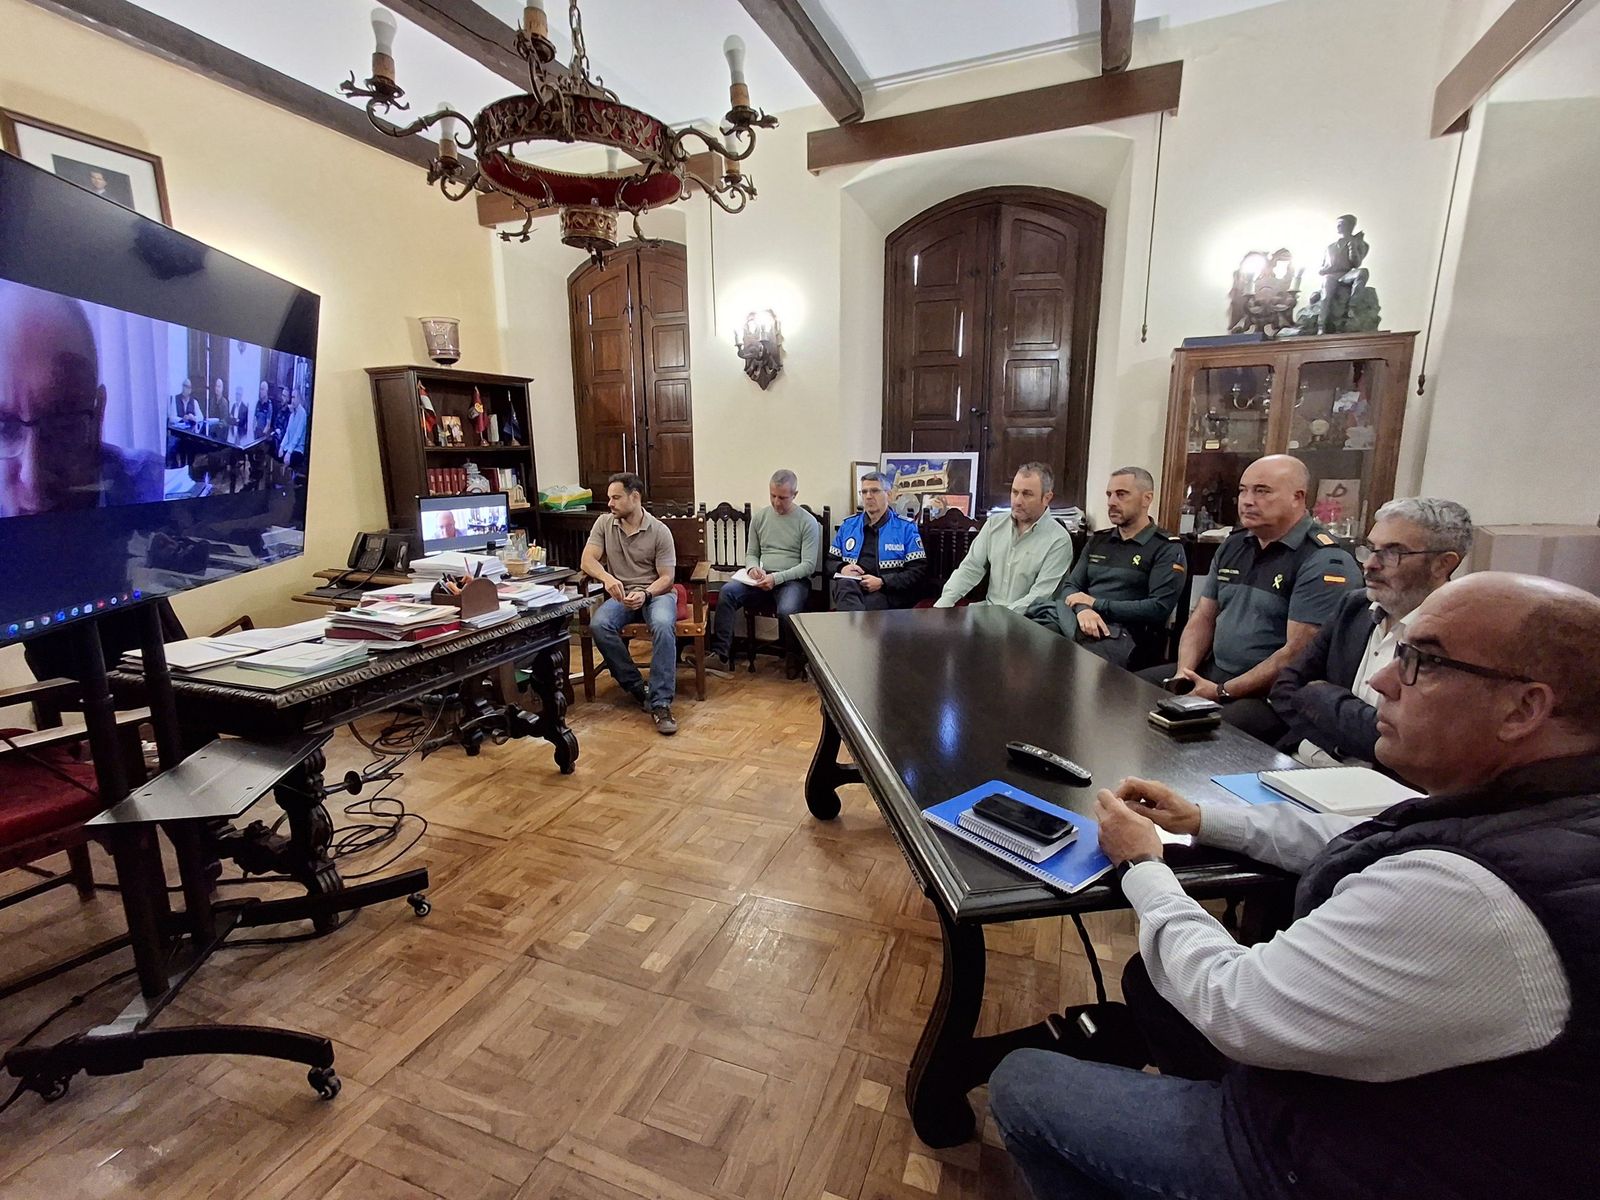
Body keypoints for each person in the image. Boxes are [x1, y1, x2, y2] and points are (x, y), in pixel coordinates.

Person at [989, 572, 1600, 1200]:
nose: (1382, 682)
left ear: (1525, 708)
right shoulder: (1542, 812)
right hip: (1419, 1108)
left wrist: (1145, 867)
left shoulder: (1475, 895)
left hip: (1343, 1157)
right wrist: (1202, 820)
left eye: (1424, 662)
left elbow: (1239, 1005)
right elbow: (1354, 833)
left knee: (1022, 1083)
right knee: (1153, 979)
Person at [1137, 455, 1360, 743]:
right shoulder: (1235, 544)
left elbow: (1295, 655)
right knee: (1131, 693)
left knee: (1195, 735)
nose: (1247, 500)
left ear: (1298, 497)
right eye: (1243, 490)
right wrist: (1185, 672)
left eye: (1262, 491)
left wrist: (1222, 691)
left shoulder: (1323, 560)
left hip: (1271, 695)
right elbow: (1203, 617)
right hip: (1213, 673)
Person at [1272, 496, 1472, 767]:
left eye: (1392, 553)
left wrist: (1323, 698)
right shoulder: (1354, 607)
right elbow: (1285, 689)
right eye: (1370, 549)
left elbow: (1412, 744)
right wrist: (1344, 742)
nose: (1369, 565)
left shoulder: (1461, 636)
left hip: (1386, 788)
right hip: (1304, 763)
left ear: (1443, 564)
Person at [0, 281, 160, 516]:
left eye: (64, 424)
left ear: (99, 417)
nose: (33, 482)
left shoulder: (155, 486)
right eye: (4, 428)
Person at [1027, 466, 1186, 667]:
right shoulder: (1099, 541)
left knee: (1064, 665)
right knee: (1025, 640)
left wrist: (1096, 604)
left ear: (1147, 498)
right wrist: (1084, 609)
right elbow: (1070, 587)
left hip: (1127, 636)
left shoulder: (1165, 548)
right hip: (1080, 621)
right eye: (1109, 495)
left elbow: (1158, 608)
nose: (1111, 502)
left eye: (1121, 495)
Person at [581, 472, 680, 735]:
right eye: (609, 498)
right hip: (621, 595)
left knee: (661, 624)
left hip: (656, 593)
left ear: (634, 497)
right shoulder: (604, 524)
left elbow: (667, 578)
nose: (610, 504)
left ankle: (661, 703)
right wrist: (606, 577)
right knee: (599, 625)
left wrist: (646, 594)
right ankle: (637, 687)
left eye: (616, 498)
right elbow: (587, 560)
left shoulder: (660, 531)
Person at [705, 469, 820, 678]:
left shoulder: (807, 522)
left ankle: (793, 656)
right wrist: (752, 568)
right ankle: (720, 655)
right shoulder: (761, 518)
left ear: (795, 494)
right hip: (762, 577)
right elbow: (752, 553)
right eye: (773, 496)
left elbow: (808, 566)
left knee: (787, 610)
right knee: (728, 592)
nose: (777, 502)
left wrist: (776, 578)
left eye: (783, 497)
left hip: (792, 580)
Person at [933, 462, 1074, 612]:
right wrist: (942, 605)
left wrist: (1000, 619)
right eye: (1014, 492)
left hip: (1031, 621)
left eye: (1027, 494)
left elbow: (1040, 596)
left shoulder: (1059, 540)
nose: (1018, 501)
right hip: (989, 613)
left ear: (1047, 498)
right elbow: (970, 568)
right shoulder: (994, 525)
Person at [828, 471, 927, 611]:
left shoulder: (906, 528)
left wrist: (883, 582)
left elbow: (917, 571)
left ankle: (849, 628)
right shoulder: (848, 526)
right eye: (864, 492)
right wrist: (842, 568)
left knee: (861, 610)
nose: (868, 496)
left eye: (874, 491)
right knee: (845, 584)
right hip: (852, 588)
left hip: (888, 592)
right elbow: (830, 563)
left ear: (889, 495)